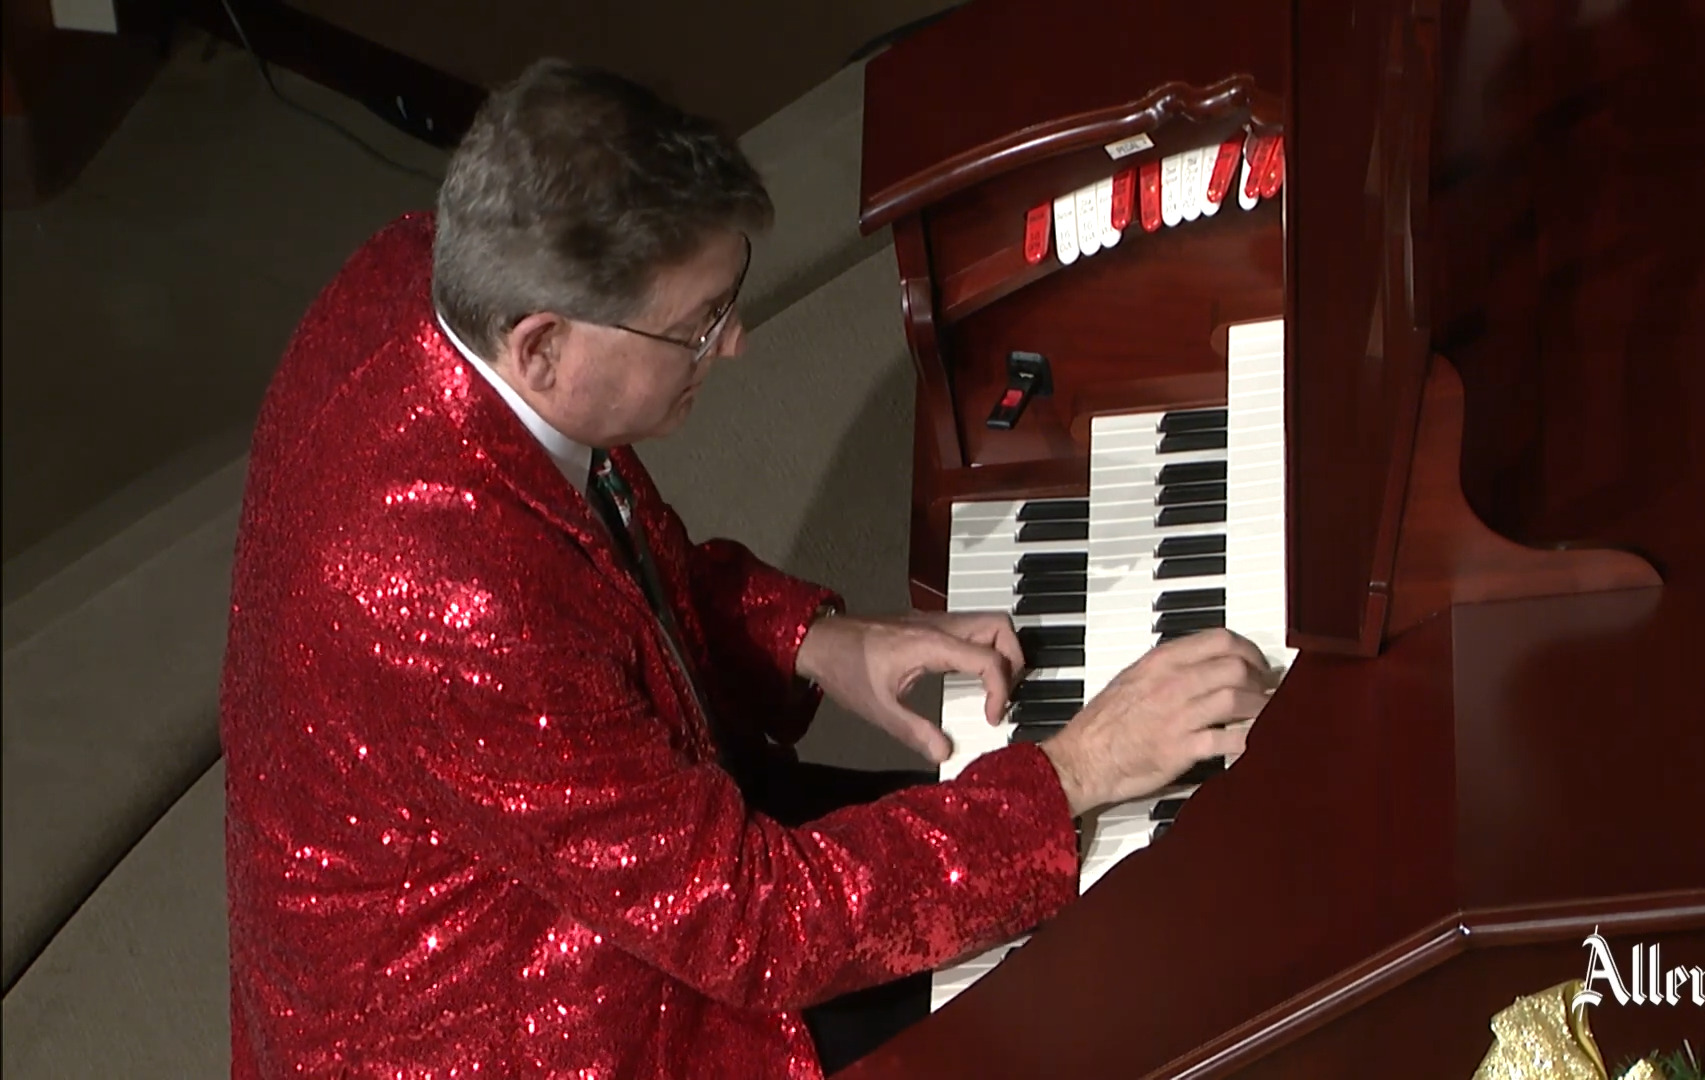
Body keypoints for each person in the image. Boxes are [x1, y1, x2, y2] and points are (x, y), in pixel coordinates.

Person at [219, 57, 1276, 1079]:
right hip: (536, 1024)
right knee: (1104, 972)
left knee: (1083, 862)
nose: (735, 346)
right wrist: (1078, 770)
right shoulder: (457, 605)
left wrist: (815, 640)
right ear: (541, 349)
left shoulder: (425, 272)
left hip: (614, 841)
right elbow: (760, 928)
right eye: (696, 327)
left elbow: (605, 562)